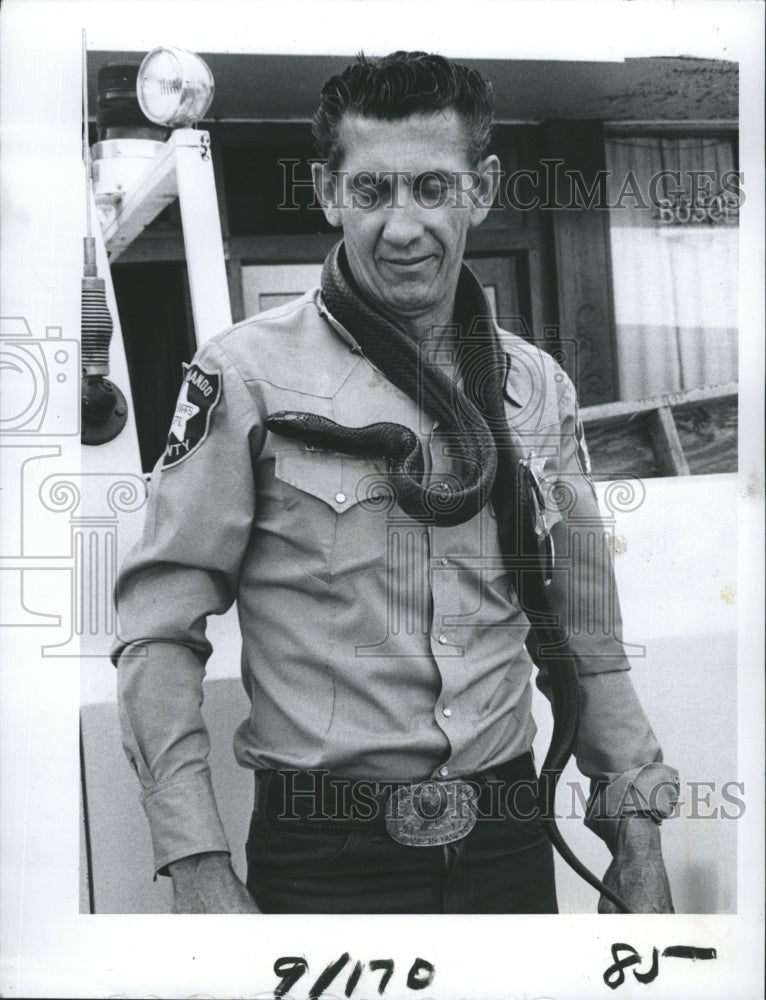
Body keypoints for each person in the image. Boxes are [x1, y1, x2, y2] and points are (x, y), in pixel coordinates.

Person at [112, 51, 678, 915]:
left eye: (432, 188)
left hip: (507, 840)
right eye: (373, 192)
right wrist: (195, 860)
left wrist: (636, 832)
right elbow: (158, 632)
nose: (403, 226)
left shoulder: (537, 388)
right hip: (324, 857)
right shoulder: (244, 376)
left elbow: (587, 627)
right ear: (331, 193)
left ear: (480, 191)